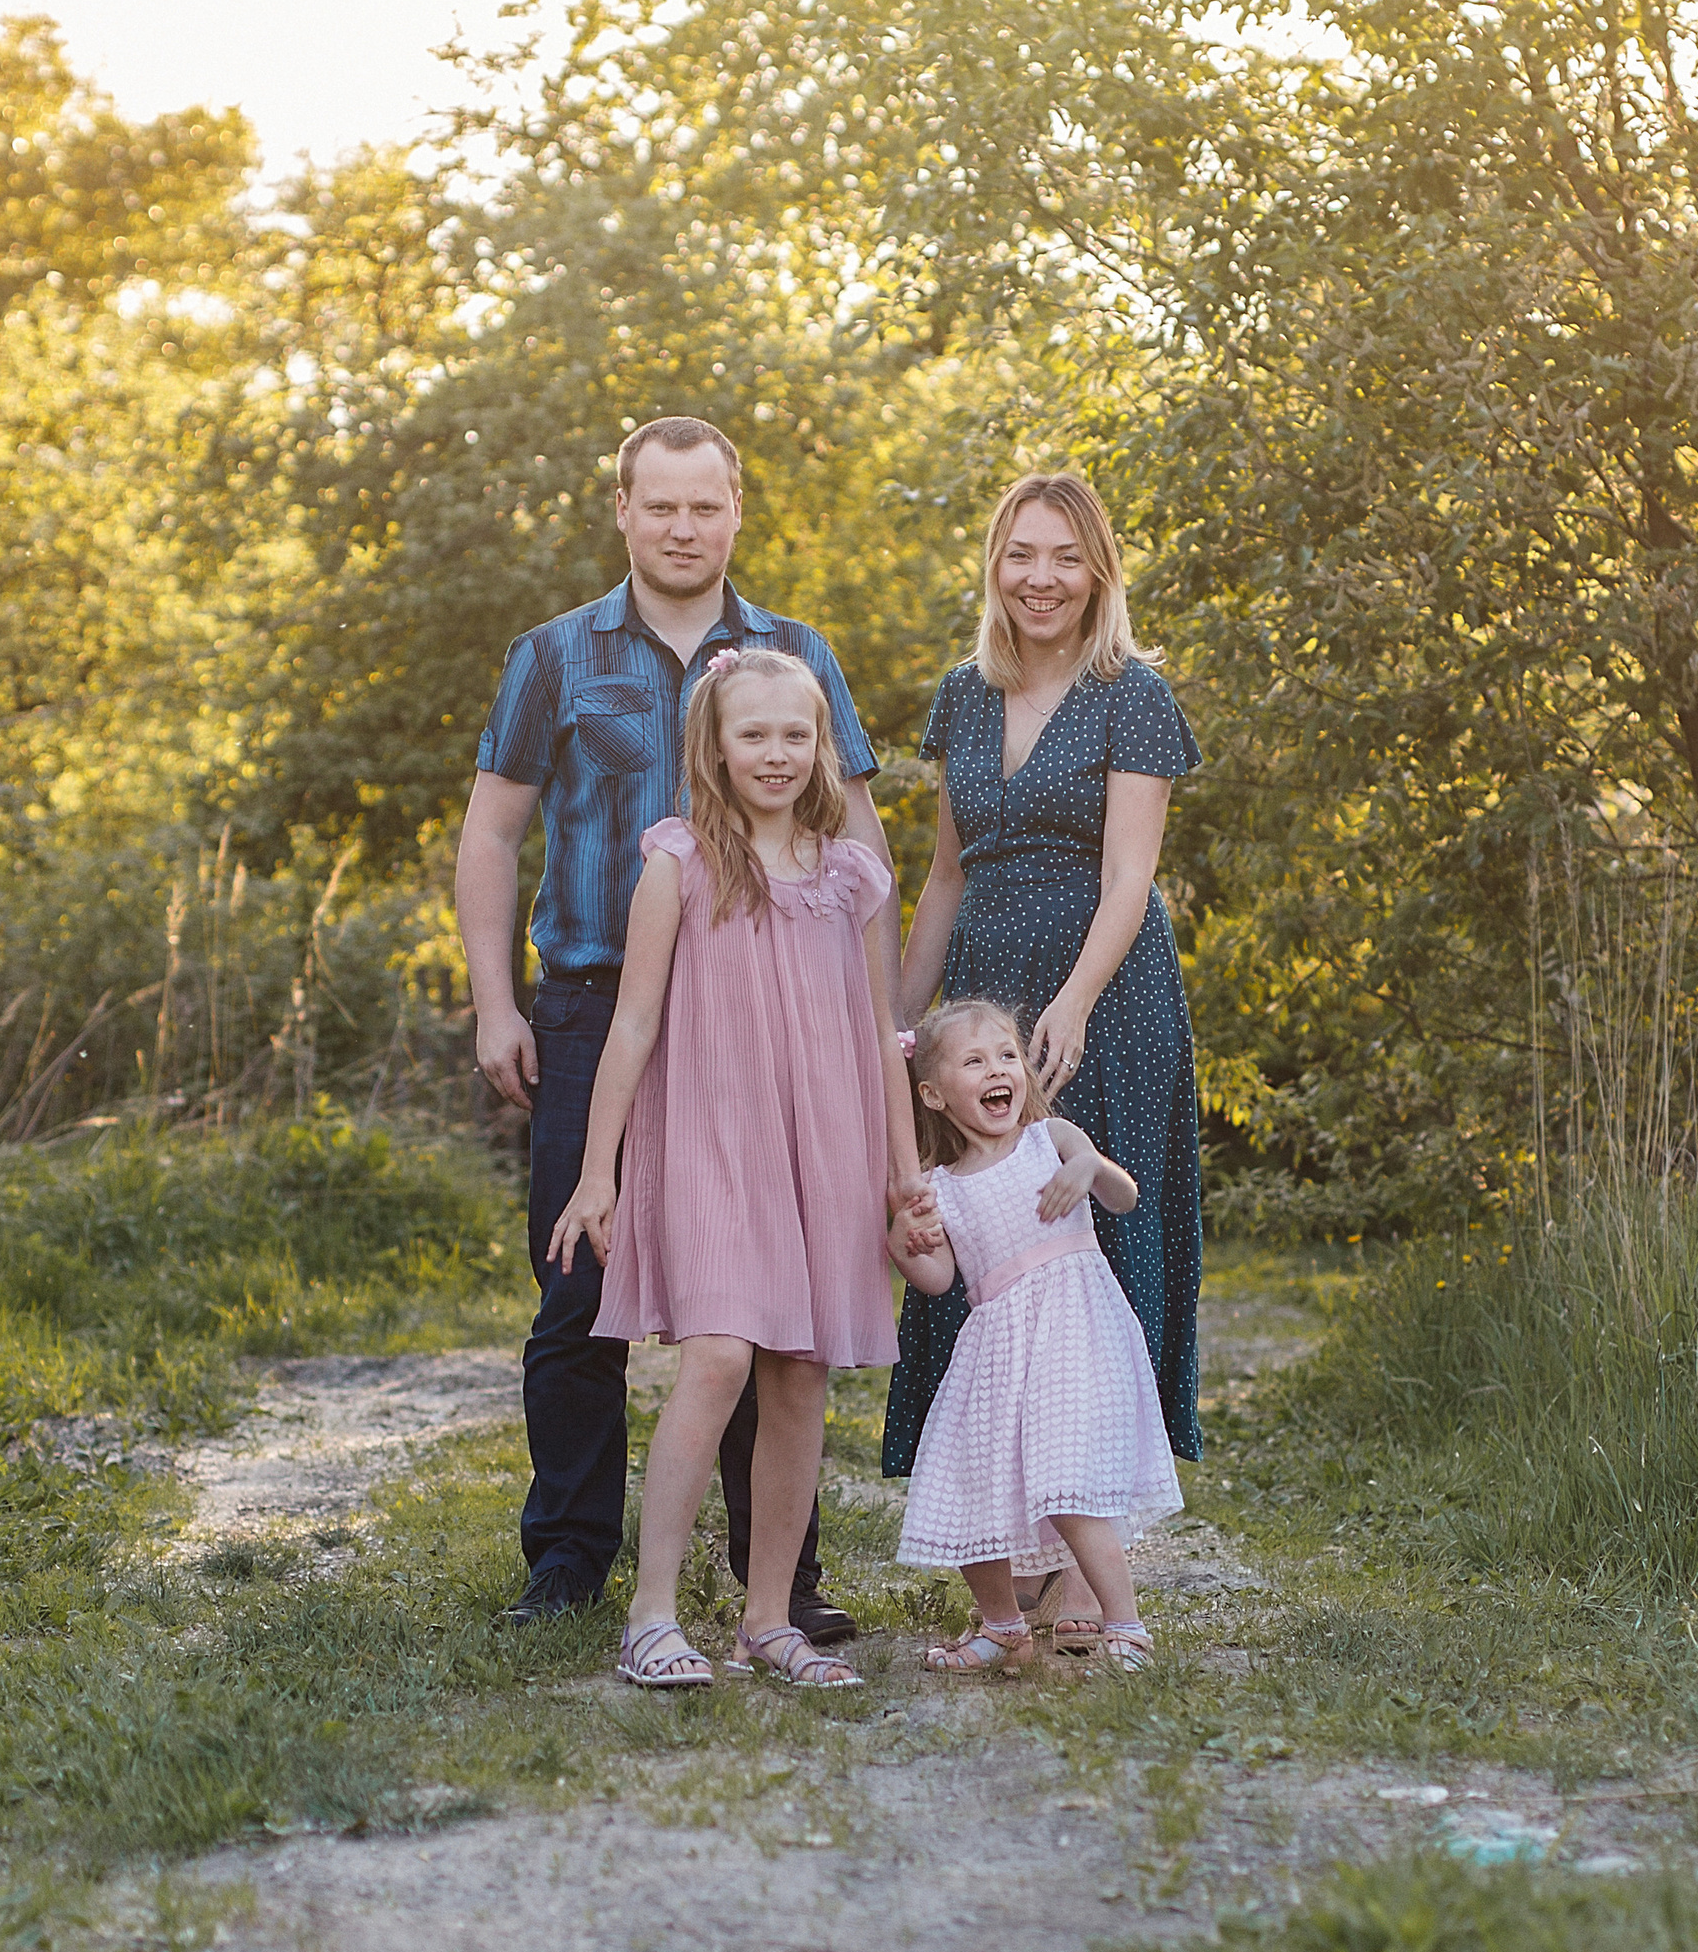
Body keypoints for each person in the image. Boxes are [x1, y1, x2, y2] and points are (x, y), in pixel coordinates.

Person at [457, 415, 898, 1627]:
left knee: (773, 1294)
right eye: (661, 505)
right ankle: (567, 1560)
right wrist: (498, 999)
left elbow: (863, 851)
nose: (683, 527)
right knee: (574, 1287)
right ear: (623, 508)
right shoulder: (554, 654)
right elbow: (492, 833)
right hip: (600, 1006)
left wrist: (873, 1025)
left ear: (736, 511)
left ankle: (779, 1582)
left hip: (768, 1016)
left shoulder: (795, 654)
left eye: (705, 506)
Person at [548, 647, 913, 1688]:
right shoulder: (676, 862)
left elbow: (876, 1031)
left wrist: (899, 1172)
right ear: (712, 745)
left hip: (826, 1146)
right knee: (716, 1356)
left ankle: (767, 1617)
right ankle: (651, 1613)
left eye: (795, 734)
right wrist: (597, 1172)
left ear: (821, 747)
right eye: (752, 733)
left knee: (800, 1374)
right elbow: (630, 1026)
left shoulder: (849, 873)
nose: (776, 753)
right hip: (710, 1140)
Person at [887, 472, 1203, 1642]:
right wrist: (894, 1022)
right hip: (978, 994)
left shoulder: (1134, 696)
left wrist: (1069, 1002)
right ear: (994, 565)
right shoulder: (959, 699)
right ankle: (1000, 1523)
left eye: (1064, 556)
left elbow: (1130, 875)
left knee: (1098, 1245)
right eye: (1020, 554)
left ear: (1098, 570)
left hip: (1101, 993)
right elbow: (943, 875)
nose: (1039, 577)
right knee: (981, 1244)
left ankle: (1090, 1552)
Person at [889, 999, 1181, 1674]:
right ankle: (1001, 1625)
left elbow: (1124, 1196)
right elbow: (935, 1277)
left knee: (1066, 1485)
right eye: (974, 1060)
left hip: (1075, 1335)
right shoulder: (941, 1188)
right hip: (996, 1352)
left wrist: (1092, 1168)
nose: (998, 1069)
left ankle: (1126, 1624)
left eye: (1005, 1055)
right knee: (968, 1490)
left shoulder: (1050, 1139)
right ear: (933, 1094)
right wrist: (903, 1242)